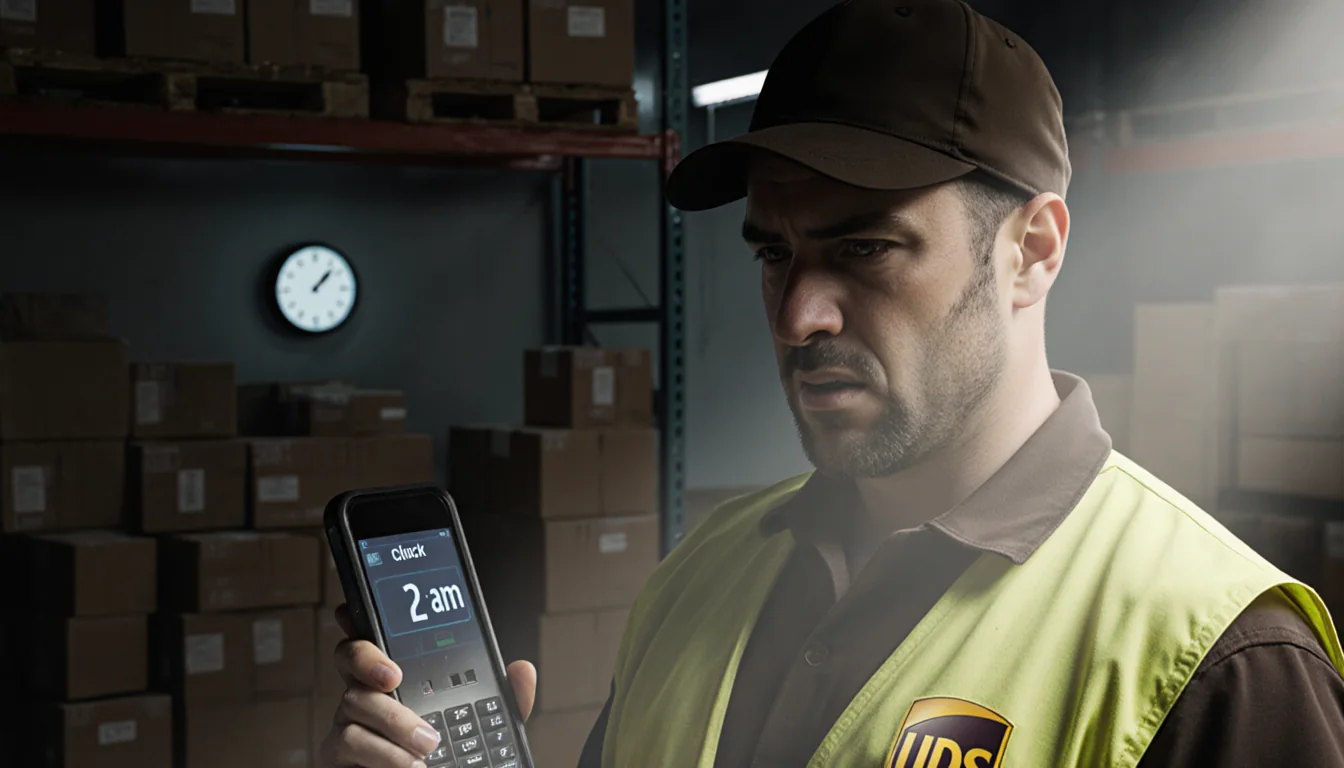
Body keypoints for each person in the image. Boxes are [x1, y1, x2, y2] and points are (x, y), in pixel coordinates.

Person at [319, 1, 1344, 766]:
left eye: (866, 249)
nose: (798, 315)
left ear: (1031, 251)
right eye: (775, 254)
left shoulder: (1218, 658)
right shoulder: (699, 576)